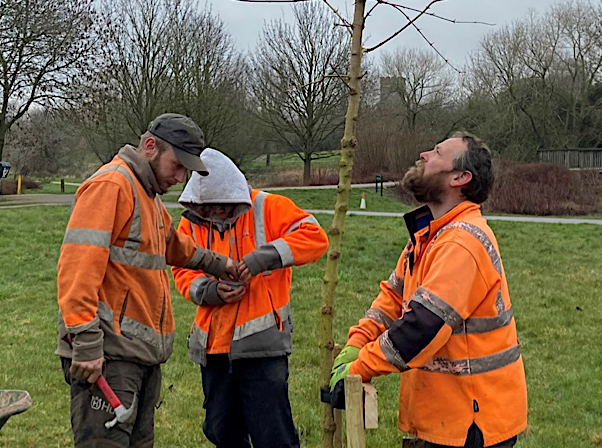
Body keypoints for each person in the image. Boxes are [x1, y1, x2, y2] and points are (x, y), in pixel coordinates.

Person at [330, 132, 527, 448]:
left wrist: (361, 366)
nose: (423, 154)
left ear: (460, 178)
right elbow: (393, 297)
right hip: (447, 416)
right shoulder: (429, 236)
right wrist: (357, 341)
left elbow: (423, 326)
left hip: (470, 422)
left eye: (437, 153)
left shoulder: (461, 243)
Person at [56, 114, 242, 448]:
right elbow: (77, 269)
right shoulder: (111, 186)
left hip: (139, 355)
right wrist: (85, 344)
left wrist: (219, 263)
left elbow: (173, 244)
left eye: (186, 169)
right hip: (109, 355)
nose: (181, 176)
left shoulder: (148, 196)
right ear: (150, 146)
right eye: (177, 165)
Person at [172, 148, 329, 448]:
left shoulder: (268, 207)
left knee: (273, 436)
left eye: (221, 206)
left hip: (263, 346)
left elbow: (315, 237)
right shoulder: (190, 221)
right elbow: (181, 269)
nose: (215, 213)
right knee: (220, 430)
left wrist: (262, 258)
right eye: (208, 207)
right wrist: (210, 292)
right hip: (213, 346)